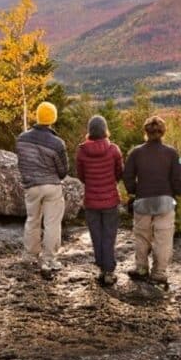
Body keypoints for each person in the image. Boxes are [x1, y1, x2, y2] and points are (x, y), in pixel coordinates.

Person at [122, 116, 181, 286]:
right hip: (165, 200)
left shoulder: (136, 152)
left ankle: (141, 268)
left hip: (143, 200)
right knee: (163, 238)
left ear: (146, 132)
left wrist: (134, 190)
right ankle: (159, 272)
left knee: (142, 236)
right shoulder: (171, 153)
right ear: (163, 132)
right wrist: (175, 192)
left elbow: (127, 175)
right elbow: (178, 178)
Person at [15, 101, 68, 273]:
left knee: (32, 220)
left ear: (37, 116)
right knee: (52, 223)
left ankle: (30, 256)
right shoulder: (57, 143)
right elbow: (62, 171)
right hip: (52, 185)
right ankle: (50, 260)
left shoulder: (21, 139)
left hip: (31, 186)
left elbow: (21, 163)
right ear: (53, 118)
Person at [75, 115, 123, 286]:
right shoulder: (114, 150)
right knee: (109, 236)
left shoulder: (82, 151)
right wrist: (111, 183)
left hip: (91, 202)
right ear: (105, 129)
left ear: (90, 131)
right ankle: (109, 271)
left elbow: (81, 176)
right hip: (110, 199)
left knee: (97, 236)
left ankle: (102, 269)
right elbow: (119, 173)